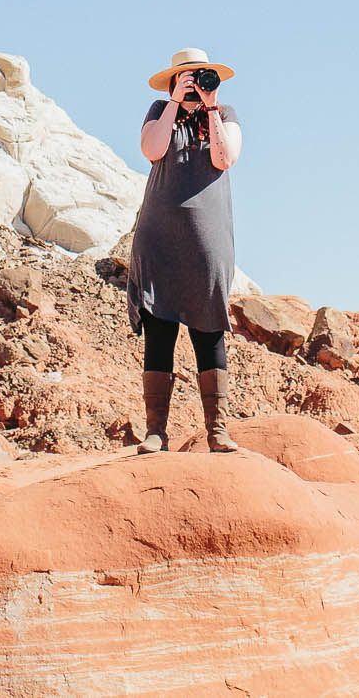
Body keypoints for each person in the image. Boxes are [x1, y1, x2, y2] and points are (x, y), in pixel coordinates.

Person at [128, 47, 244, 453]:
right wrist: (175, 102)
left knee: (209, 328)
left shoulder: (225, 113)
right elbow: (152, 150)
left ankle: (217, 430)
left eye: (200, 77)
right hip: (158, 237)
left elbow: (224, 158)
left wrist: (210, 109)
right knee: (159, 330)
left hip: (206, 239)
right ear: (174, 79)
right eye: (186, 77)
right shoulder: (161, 109)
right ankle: (155, 431)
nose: (194, 83)